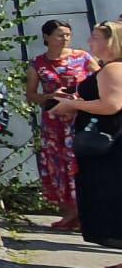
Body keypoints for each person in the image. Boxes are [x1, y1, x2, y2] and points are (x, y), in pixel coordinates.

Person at [51, 21, 122, 268]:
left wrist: (73, 105)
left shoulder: (113, 69)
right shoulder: (108, 68)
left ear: (112, 41)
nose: (90, 41)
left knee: (113, 195)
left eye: (96, 37)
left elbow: (111, 105)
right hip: (108, 143)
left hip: (112, 145)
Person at [27, 19, 97, 230]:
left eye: (68, 34)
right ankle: (70, 212)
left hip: (80, 117)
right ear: (46, 37)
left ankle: (85, 212)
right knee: (58, 166)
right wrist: (50, 95)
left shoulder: (82, 57)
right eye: (59, 34)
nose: (65, 38)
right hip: (54, 122)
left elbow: (101, 81)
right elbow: (31, 95)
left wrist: (83, 98)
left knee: (80, 163)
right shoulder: (38, 63)